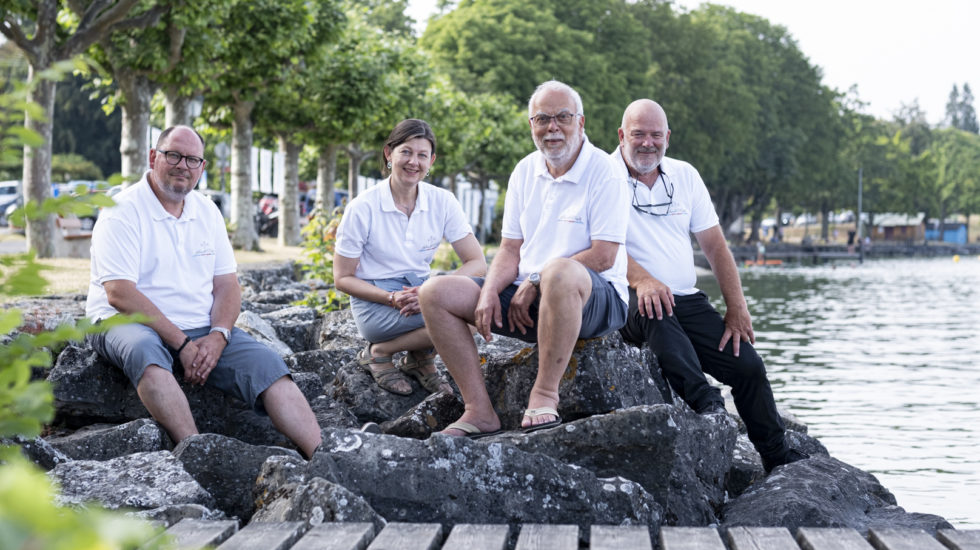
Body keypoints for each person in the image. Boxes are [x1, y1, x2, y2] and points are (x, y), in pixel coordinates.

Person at [86, 125, 322, 459]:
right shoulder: (122, 210)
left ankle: (324, 457)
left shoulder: (206, 210)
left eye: (193, 159)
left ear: (202, 167)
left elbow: (227, 285)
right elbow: (119, 293)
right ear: (154, 157)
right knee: (145, 352)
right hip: (125, 321)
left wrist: (218, 336)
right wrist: (181, 344)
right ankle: (198, 453)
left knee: (268, 365)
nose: (183, 165)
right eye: (173, 155)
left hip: (199, 327)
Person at [419, 81, 630, 438]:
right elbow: (510, 250)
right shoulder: (524, 170)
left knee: (559, 272)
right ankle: (479, 411)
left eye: (563, 117)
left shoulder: (605, 171)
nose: (553, 127)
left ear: (581, 123)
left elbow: (604, 255)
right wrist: (488, 293)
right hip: (528, 299)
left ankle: (545, 393)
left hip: (594, 299)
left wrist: (536, 280)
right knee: (434, 292)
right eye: (542, 119)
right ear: (531, 125)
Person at [611, 99, 807, 472]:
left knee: (747, 365)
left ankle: (777, 456)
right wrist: (643, 280)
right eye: (638, 134)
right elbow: (600, 245)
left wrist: (737, 307)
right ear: (622, 135)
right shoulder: (602, 175)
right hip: (628, 296)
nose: (647, 143)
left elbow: (715, 245)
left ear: (667, 137)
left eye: (656, 135)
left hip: (685, 298)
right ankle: (708, 405)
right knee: (656, 309)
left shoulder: (684, 175)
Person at [334, 119, 487, 395]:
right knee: (465, 318)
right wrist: (392, 298)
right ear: (388, 154)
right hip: (377, 302)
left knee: (479, 309)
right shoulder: (362, 207)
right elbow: (342, 278)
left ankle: (418, 358)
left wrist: (432, 291)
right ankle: (379, 351)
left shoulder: (443, 201)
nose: (413, 161)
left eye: (422, 155)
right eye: (406, 152)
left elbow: (477, 263)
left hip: (420, 293)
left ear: (432, 161)